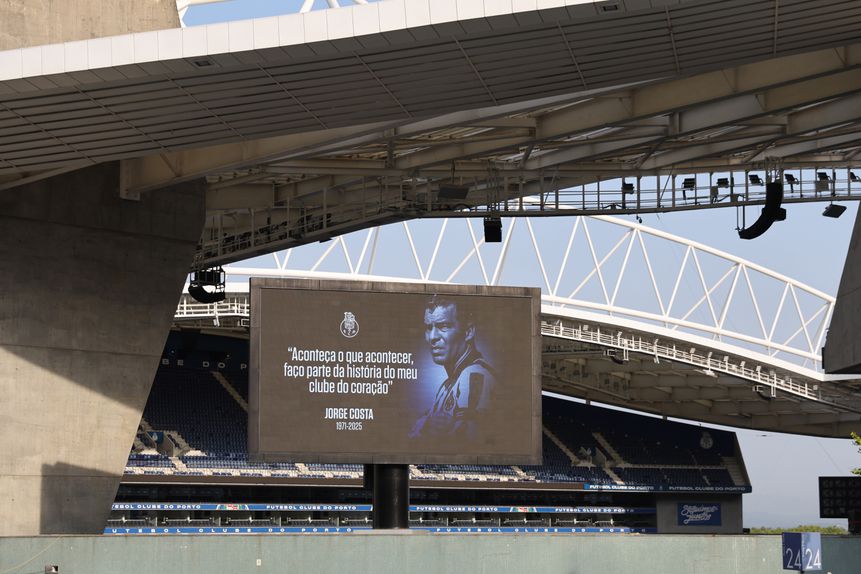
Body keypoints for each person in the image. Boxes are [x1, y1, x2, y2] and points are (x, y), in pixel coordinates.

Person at [410, 295, 496, 441]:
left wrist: (426, 427)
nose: (432, 337)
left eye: (443, 326)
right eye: (429, 328)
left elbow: (467, 441)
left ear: (468, 332)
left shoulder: (474, 375)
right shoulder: (447, 385)